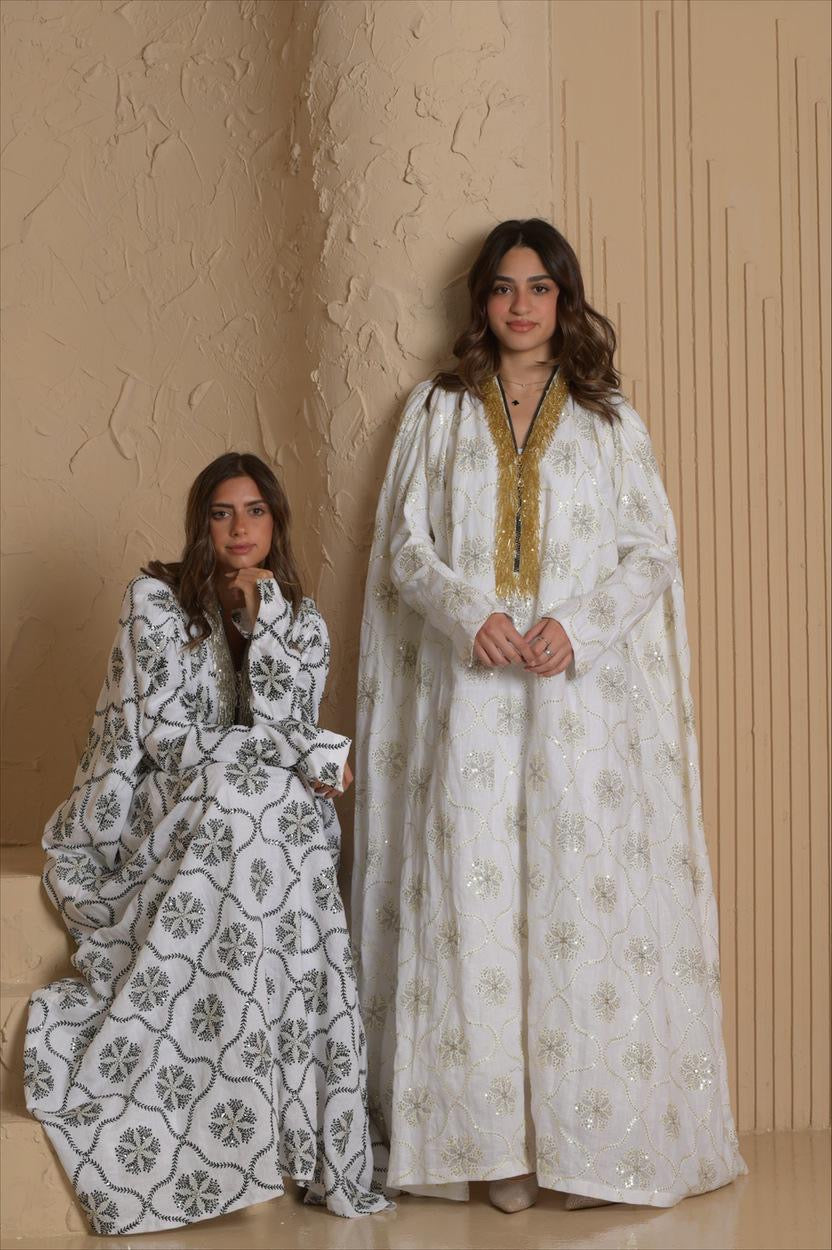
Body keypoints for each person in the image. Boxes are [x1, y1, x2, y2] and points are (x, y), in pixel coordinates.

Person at [352, 219, 746, 1213]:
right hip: (474, 697)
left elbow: (651, 551)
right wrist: (466, 613)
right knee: (474, 902)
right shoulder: (439, 410)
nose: (520, 305)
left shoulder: (608, 417)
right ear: (480, 301)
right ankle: (493, 1149)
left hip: (576, 703)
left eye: (539, 287)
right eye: (502, 286)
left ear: (564, 299)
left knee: (578, 902)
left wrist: (577, 625)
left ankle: (589, 1142)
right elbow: (405, 549)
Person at [24, 453, 389, 1235]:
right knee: (251, 794)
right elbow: (163, 737)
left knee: (267, 801)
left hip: (253, 807)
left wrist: (266, 621)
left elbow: (288, 724)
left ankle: (283, 1122)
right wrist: (309, 755)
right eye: (222, 513)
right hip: (170, 799)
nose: (239, 528)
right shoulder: (155, 602)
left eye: (255, 511)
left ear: (275, 522)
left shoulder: (302, 618)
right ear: (201, 523)